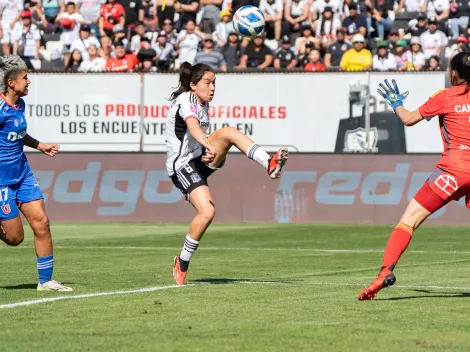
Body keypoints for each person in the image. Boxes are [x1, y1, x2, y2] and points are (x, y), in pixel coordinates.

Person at [358, 52, 470, 300]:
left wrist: (396, 102)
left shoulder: (445, 96)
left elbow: (408, 119)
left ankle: (385, 272)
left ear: (453, 74)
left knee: (409, 219)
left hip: (453, 171)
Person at [167, 62, 289, 285]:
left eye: (214, 83)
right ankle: (182, 262)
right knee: (207, 213)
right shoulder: (186, 100)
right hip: (182, 165)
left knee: (229, 133)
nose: (213, 88)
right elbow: (193, 127)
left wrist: (206, 149)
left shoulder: (203, 104)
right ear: (193, 85)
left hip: (199, 157)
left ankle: (269, 163)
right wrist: (207, 145)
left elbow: (196, 136)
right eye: (207, 82)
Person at [0, 56, 72, 291]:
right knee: (14, 238)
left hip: (22, 174)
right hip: (2, 181)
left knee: (41, 221)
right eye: (25, 78)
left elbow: (18, 135)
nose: (29, 82)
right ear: (11, 83)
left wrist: (40, 145)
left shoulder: (20, 104)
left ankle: (46, 281)